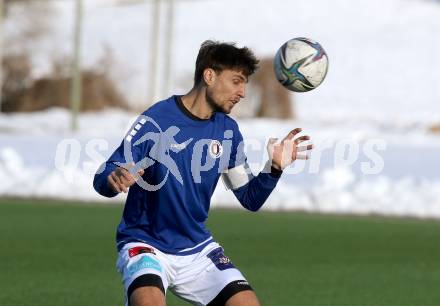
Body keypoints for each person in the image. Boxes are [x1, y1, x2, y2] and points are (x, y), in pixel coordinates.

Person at [93, 40, 313, 306]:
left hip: (197, 248)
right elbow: (104, 175)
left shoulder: (228, 131)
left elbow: (250, 198)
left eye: (245, 83)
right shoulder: (156, 119)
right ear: (209, 76)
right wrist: (113, 179)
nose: (242, 92)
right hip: (145, 243)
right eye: (236, 81)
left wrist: (274, 168)